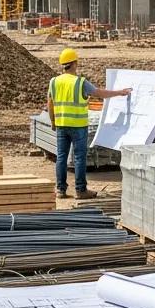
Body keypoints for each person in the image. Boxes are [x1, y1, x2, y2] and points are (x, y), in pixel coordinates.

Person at [48, 48, 130, 200]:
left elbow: (50, 103)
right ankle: (81, 190)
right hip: (78, 126)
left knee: (61, 157)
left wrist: (53, 121)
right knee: (79, 158)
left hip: (61, 125)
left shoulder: (54, 81)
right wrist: (120, 92)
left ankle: (60, 190)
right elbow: (99, 93)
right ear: (74, 63)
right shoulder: (80, 82)